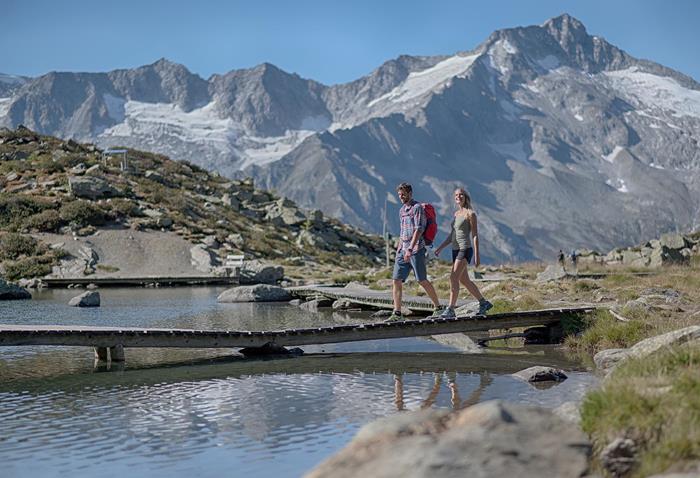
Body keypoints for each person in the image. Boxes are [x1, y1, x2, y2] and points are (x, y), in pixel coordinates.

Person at [386, 182, 443, 321]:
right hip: (403, 249)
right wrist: (400, 247)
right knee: (396, 280)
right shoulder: (401, 211)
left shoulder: (417, 208)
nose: (401, 197)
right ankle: (397, 313)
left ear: (410, 193)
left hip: (416, 249)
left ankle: (438, 308)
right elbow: (402, 230)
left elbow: (419, 229)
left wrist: (410, 248)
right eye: (399, 195)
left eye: (403, 194)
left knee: (422, 280)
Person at [434, 187, 493, 317]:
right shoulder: (456, 214)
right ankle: (483, 303)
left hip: (465, 249)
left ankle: (450, 309)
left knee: (453, 277)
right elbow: (452, 235)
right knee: (464, 280)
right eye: (456, 195)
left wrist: (477, 256)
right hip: (455, 250)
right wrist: (440, 248)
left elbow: (475, 235)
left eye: (461, 195)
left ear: (465, 197)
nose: (458, 197)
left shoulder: (470, 214)